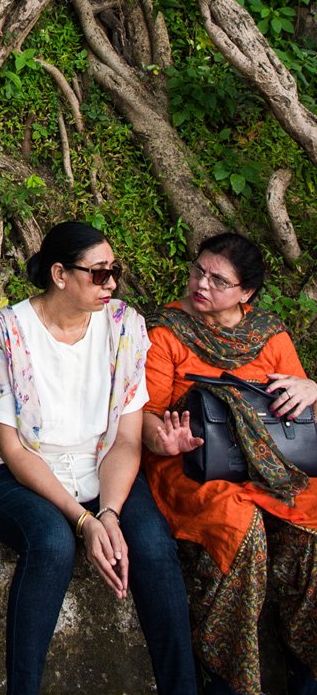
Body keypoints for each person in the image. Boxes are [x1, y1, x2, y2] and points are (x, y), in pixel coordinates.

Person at [0, 220, 196, 695]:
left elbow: (127, 440)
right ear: (59, 275)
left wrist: (110, 512)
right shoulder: (11, 331)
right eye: (98, 273)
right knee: (53, 544)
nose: (110, 283)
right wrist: (84, 521)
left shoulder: (125, 329)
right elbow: (11, 447)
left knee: (152, 547)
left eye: (114, 271)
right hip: (16, 474)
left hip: (100, 468)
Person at [143, 231, 317, 695]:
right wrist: (163, 440)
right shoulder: (167, 331)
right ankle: (227, 678)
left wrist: (313, 388)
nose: (201, 283)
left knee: (313, 527)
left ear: (246, 294)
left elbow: (300, 403)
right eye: (199, 269)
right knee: (241, 530)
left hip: (272, 467)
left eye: (218, 280)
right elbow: (144, 414)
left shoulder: (269, 334)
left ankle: (308, 673)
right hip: (191, 464)